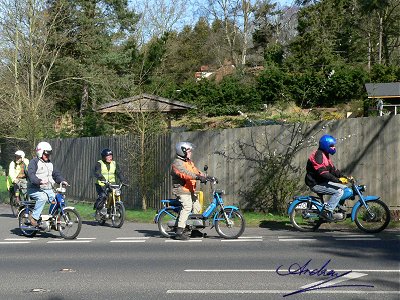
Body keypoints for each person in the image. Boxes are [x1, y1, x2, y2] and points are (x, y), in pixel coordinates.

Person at [305, 134, 348, 221]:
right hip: (315, 183)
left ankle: (338, 208)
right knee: (339, 192)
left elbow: (333, 170)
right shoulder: (318, 156)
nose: (333, 147)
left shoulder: (325, 155)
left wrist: (345, 177)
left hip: (321, 182)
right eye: (331, 146)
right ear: (325, 145)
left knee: (346, 189)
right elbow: (323, 173)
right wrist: (338, 180)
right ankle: (327, 211)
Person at [170, 141, 207, 240]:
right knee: (187, 207)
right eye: (189, 151)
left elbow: (196, 172)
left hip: (189, 190)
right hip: (181, 190)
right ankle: (179, 231)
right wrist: (198, 177)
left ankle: (194, 230)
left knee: (197, 207)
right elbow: (185, 174)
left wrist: (207, 176)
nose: (190, 153)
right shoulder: (177, 163)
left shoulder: (189, 162)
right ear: (182, 151)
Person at [27, 142, 68, 227]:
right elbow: (31, 175)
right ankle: (34, 218)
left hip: (48, 189)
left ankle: (54, 219)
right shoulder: (34, 162)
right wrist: (39, 181)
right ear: (40, 152)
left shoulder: (50, 164)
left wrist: (62, 181)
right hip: (34, 189)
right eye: (46, 154)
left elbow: (56, 174)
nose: (47, 156)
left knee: (58, 199)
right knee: (43, 197)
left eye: (49, 154)